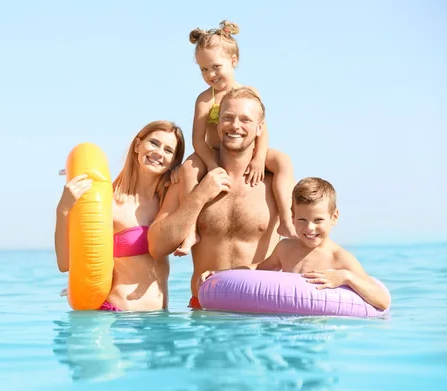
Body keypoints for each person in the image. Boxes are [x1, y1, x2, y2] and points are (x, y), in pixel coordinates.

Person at [148, 87, 281, 309]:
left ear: (259, 128)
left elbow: (304, 242)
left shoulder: (275, 181)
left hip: (261, 314)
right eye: (227, 118)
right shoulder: (193, 178)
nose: (235, 126)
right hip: (205, 313)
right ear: (217, 124)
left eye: (245, 119)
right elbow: (156, 247)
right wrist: (199, 197)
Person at [173, 20, 297, 257]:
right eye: (204, 70)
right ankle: (190, 231)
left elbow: (263, 128)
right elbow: (198, 139)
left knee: (281, 160)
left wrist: (259, 158)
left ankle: (286, 219)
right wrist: (211, 164)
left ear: (233, 61)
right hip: (214, 153)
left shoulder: (250, 93)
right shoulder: (204, 100)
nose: (210, 74)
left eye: (216, 67)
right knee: (189, 167)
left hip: (247, 151)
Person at [200, 177, 391, 311]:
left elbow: (381, 301)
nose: (309, 228)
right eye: (301, 220)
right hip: (288, 325)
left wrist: (347, 278)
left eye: (318, 220)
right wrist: (221, 274)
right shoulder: (285, 248)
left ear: (334, 218)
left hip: (321, 332)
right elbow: (258, 268)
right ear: (292, 217)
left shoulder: (339, 258)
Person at [55, 121, 185, 311]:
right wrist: (64, 209)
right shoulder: (109, 203)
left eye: (168, 150)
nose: (159, 153)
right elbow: (65, 264)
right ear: (138, 145)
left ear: (173, 162)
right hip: (120, 320)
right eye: (154, 143)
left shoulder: (168, 202)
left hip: (160, 324)